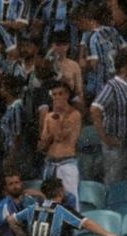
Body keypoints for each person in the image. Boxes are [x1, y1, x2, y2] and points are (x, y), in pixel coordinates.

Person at [90, 50, 127, 186]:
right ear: (124, 68)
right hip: (116, 142)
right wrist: (104, 137)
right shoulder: (112, 86)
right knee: (114, 179)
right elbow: (95, 108)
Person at [38, 80, 82, 211]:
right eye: (54, 94)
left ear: (67, 95)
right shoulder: (49, 116)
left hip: (66, 164)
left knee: (70, 200)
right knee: (48, 202)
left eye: (60, 94)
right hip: (50, 163)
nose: (57, 97)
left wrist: (56, 116)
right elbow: (42, 143)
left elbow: (60, 136)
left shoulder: (74, 115)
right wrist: (46, 139)